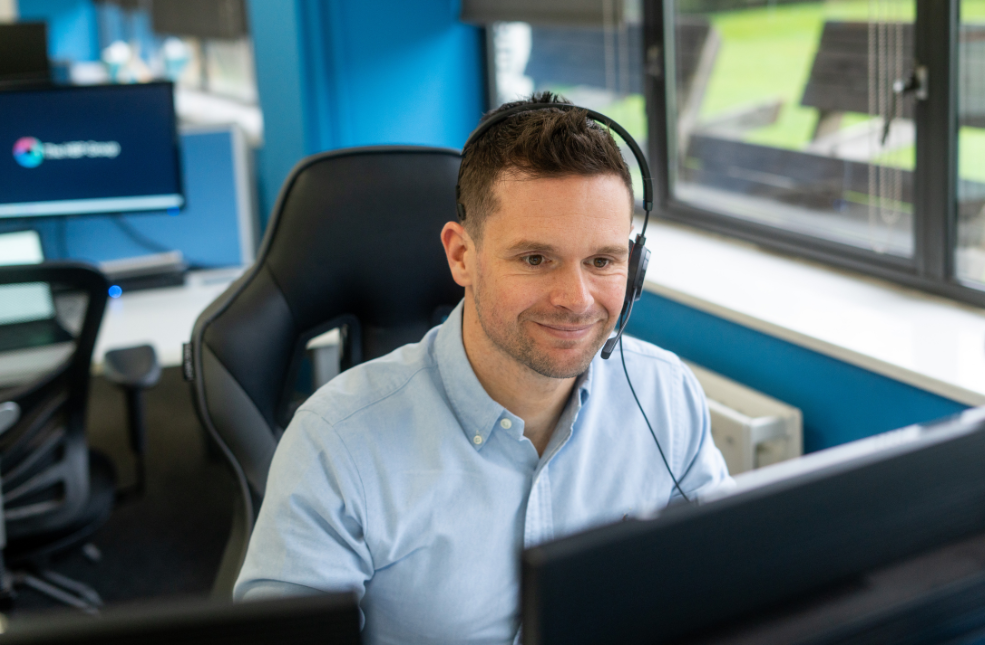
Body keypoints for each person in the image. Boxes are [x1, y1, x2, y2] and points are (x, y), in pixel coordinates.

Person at [233, 92, 731, 644]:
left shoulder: (666, 395)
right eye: (535, 259)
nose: (577, 298)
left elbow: (724, 586)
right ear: (461, 256)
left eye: (603, 261)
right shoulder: (337, 443)